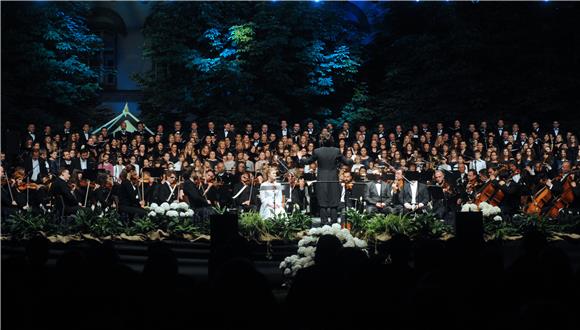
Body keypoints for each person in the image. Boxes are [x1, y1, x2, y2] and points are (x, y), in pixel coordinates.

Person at [298, 132, 354, 224]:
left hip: (322, 179)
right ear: (332, 141)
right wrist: (352, 159)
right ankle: (334, 223)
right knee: (333, 203)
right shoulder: (336, 150)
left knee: (322, 202)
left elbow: (307, 161)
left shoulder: (317, 151)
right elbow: (347, 162)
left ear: (322, 141)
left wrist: (300, 158)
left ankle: (324, 223)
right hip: (333, 179)